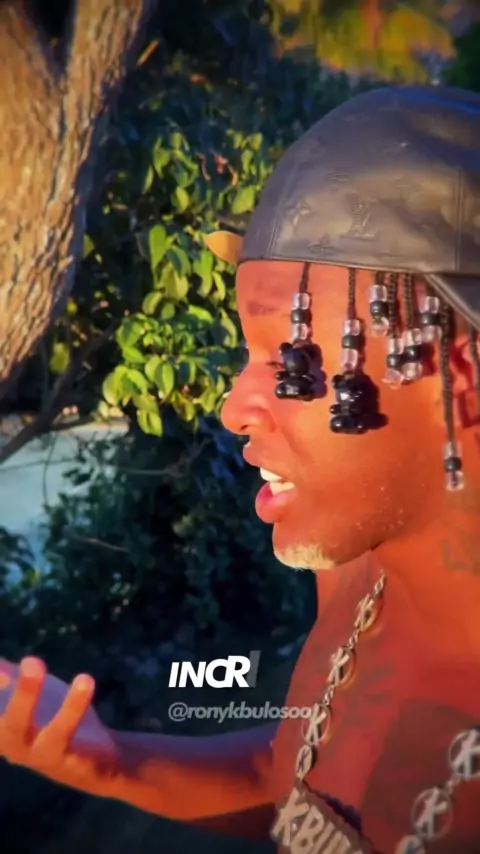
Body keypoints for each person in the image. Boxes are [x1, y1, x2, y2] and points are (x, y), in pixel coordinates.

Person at [1, 84, 480, 854]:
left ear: (460, 375)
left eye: (291, 361)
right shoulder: (358, 578)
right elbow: (293, 776)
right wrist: (110, 760)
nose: (234, 409)